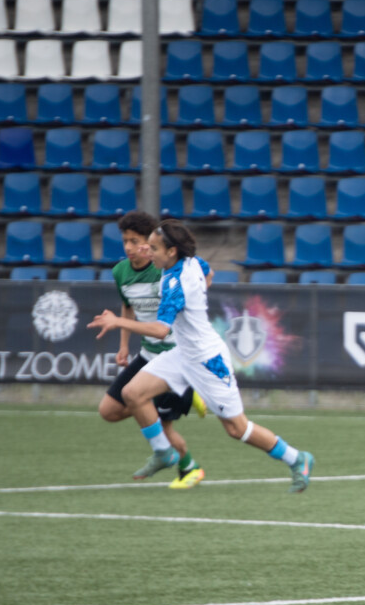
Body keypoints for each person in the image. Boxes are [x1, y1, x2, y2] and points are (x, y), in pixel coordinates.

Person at [88, 220, 313, 494]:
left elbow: (161, 330)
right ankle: (164, 452)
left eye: (154, 248)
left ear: (171, 251)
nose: (149, 252)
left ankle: (296, 458)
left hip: (208, 360)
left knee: (237, 429)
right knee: (132, 393)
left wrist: (118, 322)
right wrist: (195, 299)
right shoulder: (192, 262)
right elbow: (209, 272)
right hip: (183, 353)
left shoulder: (175, 283)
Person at [97, 211, 208, 490]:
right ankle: (187, 397)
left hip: (174, 357)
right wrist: (123, 345)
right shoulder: (120, 272)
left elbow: (205, 273)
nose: (129, 247)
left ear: (150, 242)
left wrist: (191, 300)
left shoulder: (165, 268)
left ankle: (190, 468)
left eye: (135, 241)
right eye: (125, 241)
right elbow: (128, 307)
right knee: (109, 410)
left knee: (160, 425)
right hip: (148, 355)